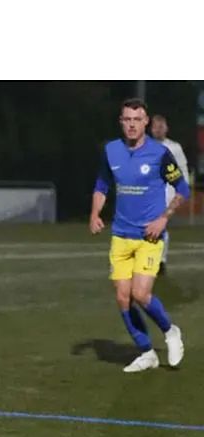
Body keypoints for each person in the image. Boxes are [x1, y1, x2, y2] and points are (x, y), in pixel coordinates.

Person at [90, 99, 187, 373]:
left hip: (150, 236)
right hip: (120, 235)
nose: (132, 124)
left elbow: (182, 188)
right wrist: (95, 213)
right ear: (121, 122)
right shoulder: (111, 151)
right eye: (127, 119)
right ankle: (147, 353)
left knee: (141, 294)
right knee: (123, 298)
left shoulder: (160, 153)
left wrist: (163, 218)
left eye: (137, 119)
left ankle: (170, 331)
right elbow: (101, 184)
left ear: (146, 122)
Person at [149, 114, 190, 276]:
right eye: (155, 126)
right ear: (151, 129)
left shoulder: (174, 147)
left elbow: (183, 169)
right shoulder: (144, 145)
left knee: (160, 224)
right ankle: (152, 259)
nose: (158, 129)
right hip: (148, 192)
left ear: (166, 128)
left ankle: (161, 261)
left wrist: (183, 189)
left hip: (168, 192)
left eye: (161, 126)